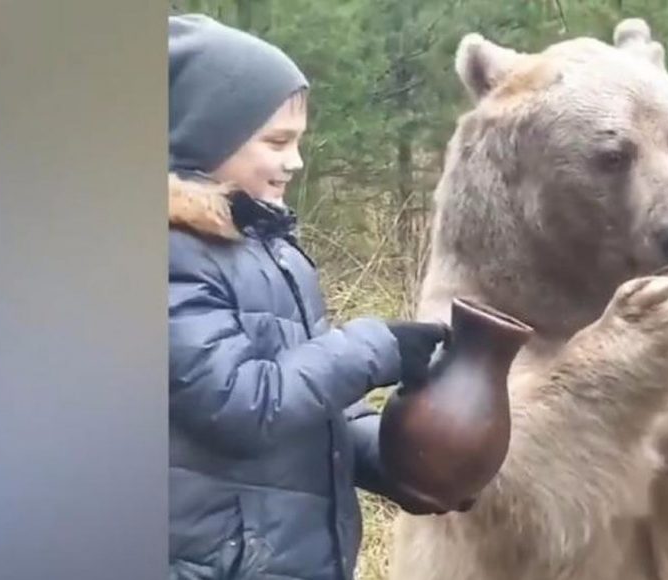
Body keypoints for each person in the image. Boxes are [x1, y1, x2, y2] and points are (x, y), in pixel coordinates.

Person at [167, 14, 462, 580]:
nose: (295, 161)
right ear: (207, 136)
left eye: (298, 142)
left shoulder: (269, 250)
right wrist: (378, 347)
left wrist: (402, 464)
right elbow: (240, 402)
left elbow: (315, 406)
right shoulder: (169, 253)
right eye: (276, 142)